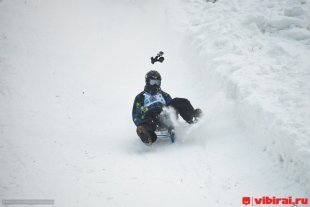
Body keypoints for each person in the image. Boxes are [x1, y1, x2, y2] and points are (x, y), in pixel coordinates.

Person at [132, 70, 202, 145]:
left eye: (157, 82)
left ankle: (192, 117)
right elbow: (136, 115)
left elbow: (172, 108)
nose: (155, 84)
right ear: (147, 82)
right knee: (151, 116)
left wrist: (173, 115)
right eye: (152, 82)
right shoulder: (140, 97)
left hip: (165, 116)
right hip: (151, 118)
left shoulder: (164, 95)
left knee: (179, 101)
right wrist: (140, 124)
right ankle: (146, 134)